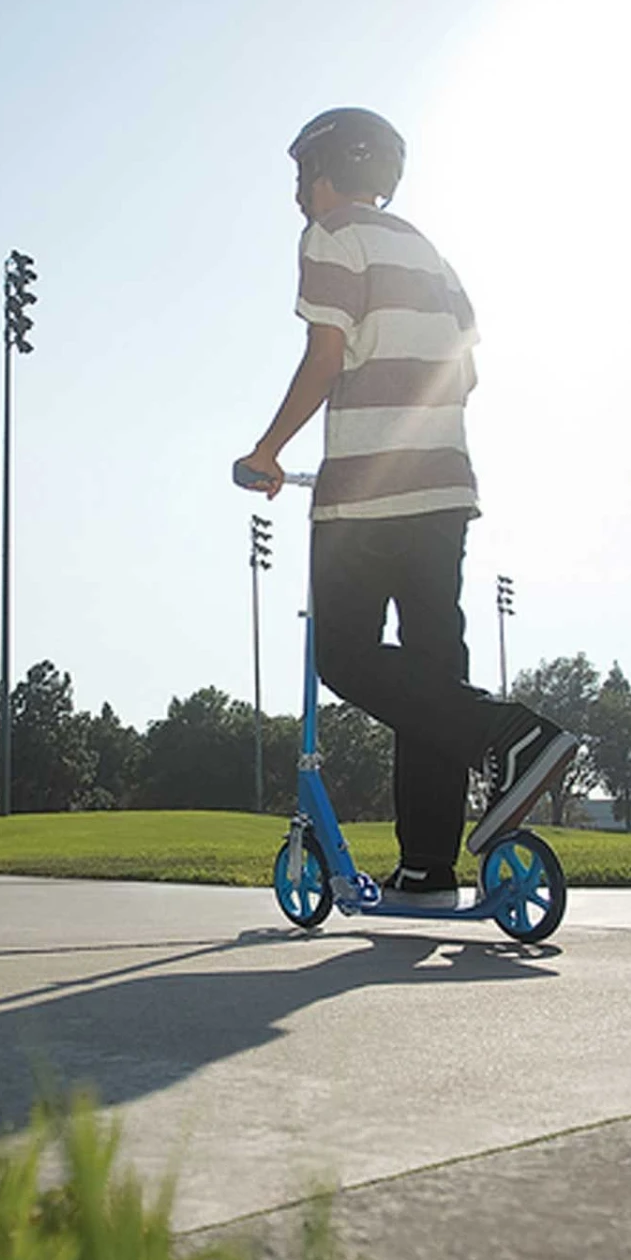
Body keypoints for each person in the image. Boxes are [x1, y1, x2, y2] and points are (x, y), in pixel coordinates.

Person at [237, 107, 576, 907]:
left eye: (301, 176)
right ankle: (427, 866)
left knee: (346, 658)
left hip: (366, 495)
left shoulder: (331, 236)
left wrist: (269, 450)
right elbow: (467, 373)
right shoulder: (431, 254)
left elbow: (326, 355)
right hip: (445, 487)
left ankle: (510, 734)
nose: (298, 193)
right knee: (431, 673)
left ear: (322, 173)